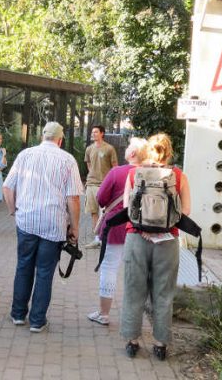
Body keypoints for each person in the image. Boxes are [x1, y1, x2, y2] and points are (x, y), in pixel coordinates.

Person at [3, 121, 83, 333]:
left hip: (26, 220)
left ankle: (18, 314)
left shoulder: (25, 155)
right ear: (60, 139)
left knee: (23, 266)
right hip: (53, 224)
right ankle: (37, 321)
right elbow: (73, 198)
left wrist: (14, 211)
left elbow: (7, 187)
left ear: (42, 136)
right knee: (45, 272)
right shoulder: (68, 160)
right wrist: (75, 227)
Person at [120, 133, 190, 360]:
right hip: (167, 241)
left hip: (136, 239)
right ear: (169, 151)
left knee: (133, 291)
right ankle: (160, 344)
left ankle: (131, 341)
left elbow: (126, 208)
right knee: (163, 293)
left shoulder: (134, 173)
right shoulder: (178, 176)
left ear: (148, 151)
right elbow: (186, 211)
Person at [87, 138, 147, 326]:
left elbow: (101, 198)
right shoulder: (151, 174)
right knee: (137, 272)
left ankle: (104, 313)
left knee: (109, 268)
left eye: (128, 148)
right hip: (142, 228)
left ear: (132, 154)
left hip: (116, 226)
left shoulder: (117, 172)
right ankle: (133, 318)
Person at [84, 125, 118, 249]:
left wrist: (112, 183)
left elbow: (115, 167)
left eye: (96, 132)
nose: (93, 134)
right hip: (91, 184)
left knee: (105, 213)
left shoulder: (109, 148)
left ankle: (105, 238)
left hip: (105, 185)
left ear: (102, 133)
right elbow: (89, 164)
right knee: (94, 212)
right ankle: (97, 239)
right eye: (92, 132)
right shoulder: (89, 149)